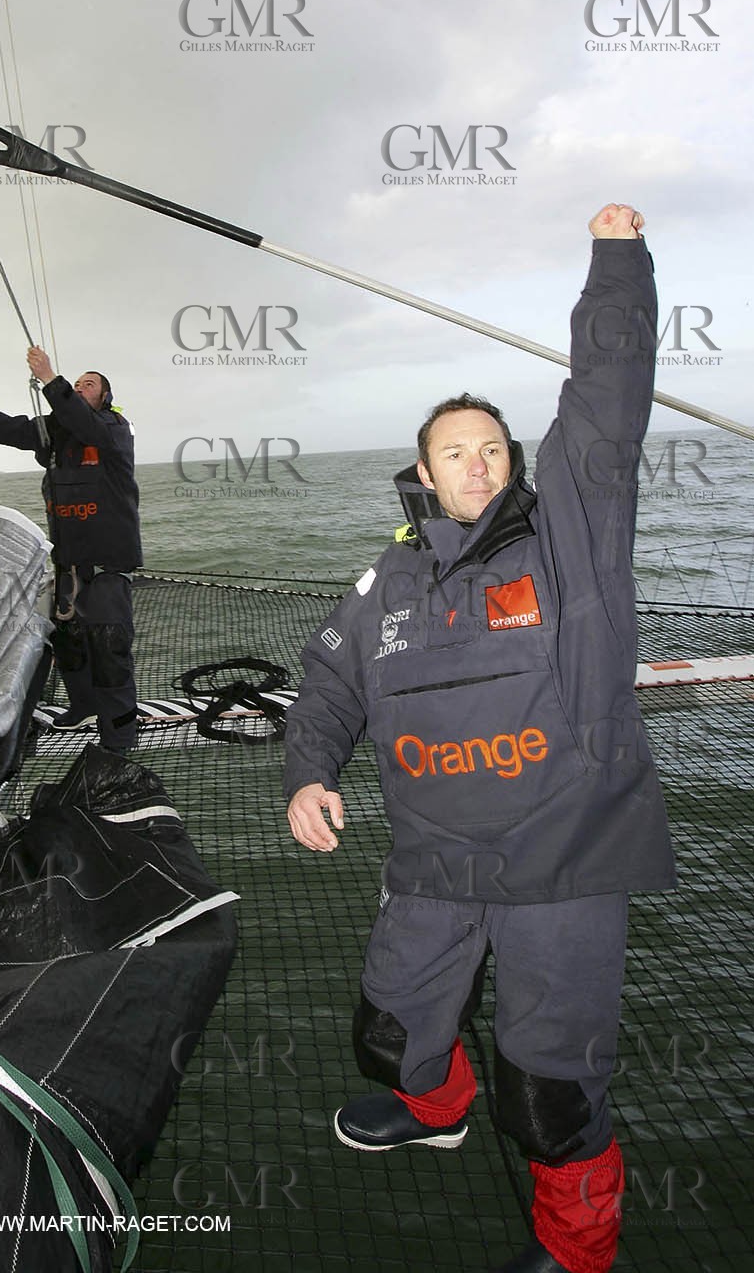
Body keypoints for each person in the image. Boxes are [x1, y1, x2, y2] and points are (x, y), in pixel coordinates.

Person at [283, 205, 675, 1273]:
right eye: (453, 448)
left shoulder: (569, 547)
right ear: (420, 469)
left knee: (548, 1093)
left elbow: (602, 411)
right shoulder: (382, 581)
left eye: (491, 446)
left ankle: (579, 1252)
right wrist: (306, 773)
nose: (476, 459)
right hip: (434, 863)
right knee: (390, 1033)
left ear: (511, 463)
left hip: (565, 860)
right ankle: (436, 1108)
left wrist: (615, 264)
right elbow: (325, 683)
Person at [0, 346, 142, 753]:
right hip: (68, 565)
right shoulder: (56, 429)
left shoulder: (114, 429)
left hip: (106, 566)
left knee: (109, 648)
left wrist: (50, 379)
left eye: (89, 384)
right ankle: (82, 706)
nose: (81, 387)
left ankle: (118, 739)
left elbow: (89, 427)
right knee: (69, 643)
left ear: (104, 399)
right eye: (76, 383)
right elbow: (9, 428)